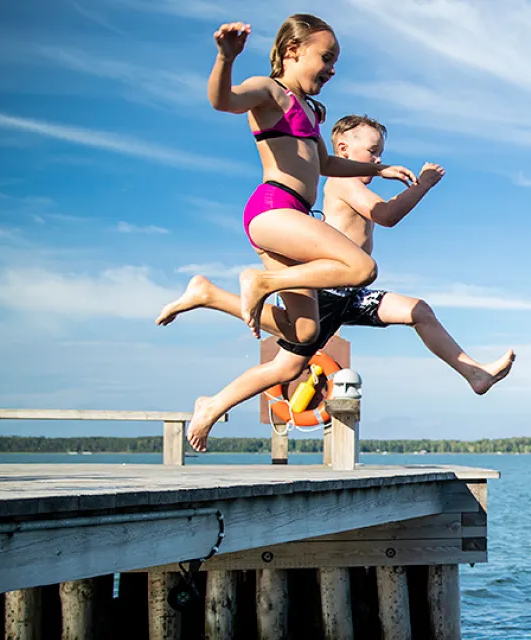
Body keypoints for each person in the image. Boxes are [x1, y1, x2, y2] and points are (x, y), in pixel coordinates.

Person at [163, 116, 514, 451]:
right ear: (343, 150)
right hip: (329, 291)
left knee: (418, 311)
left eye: (380, 153)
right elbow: (387, 216)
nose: (378, 160)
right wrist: (423, 185)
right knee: (287, 367)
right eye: (372, 151)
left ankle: (473, 374)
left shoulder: (351, 184)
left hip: (351, 292)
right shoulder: (344, 182)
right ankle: (212, 401)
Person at [184, 14, 416, 452]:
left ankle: (209, 315)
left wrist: (376, 168)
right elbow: (222, 100)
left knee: (304, 335)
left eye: (335, 62)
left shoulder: (312, 109)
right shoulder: (270, 91)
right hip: (273, 207)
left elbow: (325, 164)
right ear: (293, 51)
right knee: (360, 266)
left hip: (292, 213)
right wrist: (224, 58)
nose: (331, 69)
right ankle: (261, 282)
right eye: (325, 58)